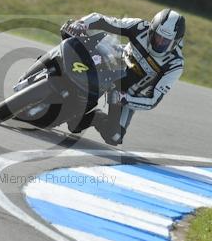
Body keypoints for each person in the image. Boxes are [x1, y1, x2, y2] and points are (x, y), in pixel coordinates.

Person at [60, 9, 185, 146]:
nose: (160, 43)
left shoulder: (174, 64)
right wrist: (82, 23)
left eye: (166, 41)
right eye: (157, 36)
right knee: (73, 38)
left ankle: (94, 117)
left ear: (176, 41)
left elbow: (153, 100)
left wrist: (125, 99)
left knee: (113, 136)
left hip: (126, 92)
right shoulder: (139, 27)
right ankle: (58, 70)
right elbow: (103, 20)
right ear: (151, 29)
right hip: (113, 63)